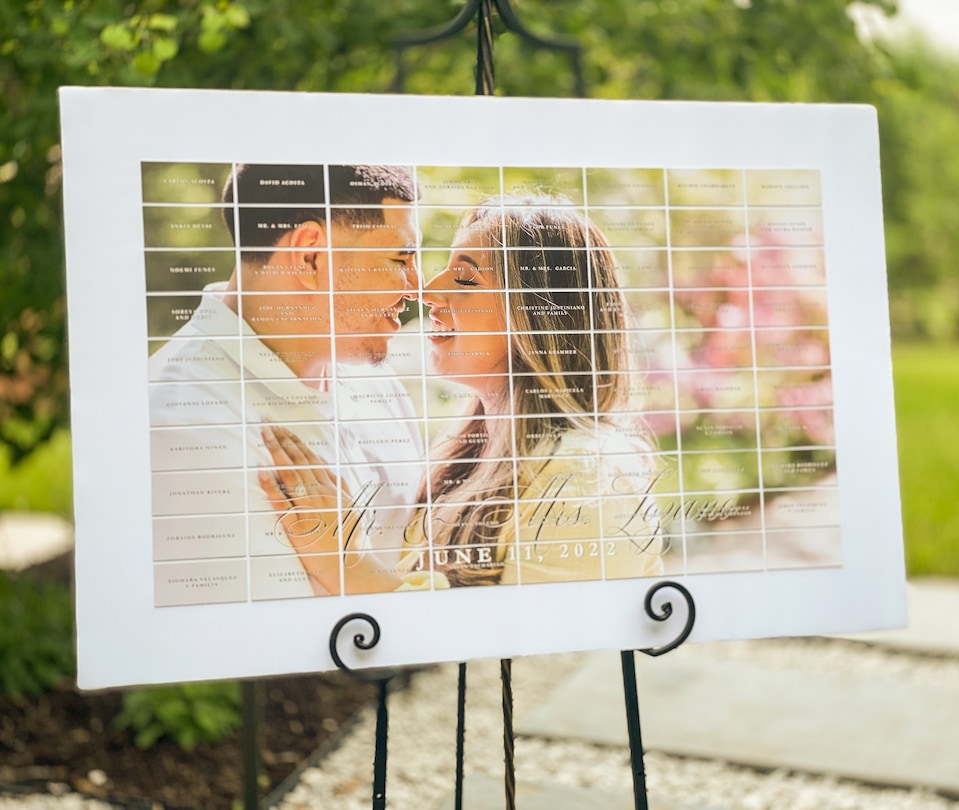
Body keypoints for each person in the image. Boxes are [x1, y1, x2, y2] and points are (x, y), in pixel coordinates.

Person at [260, 195, 666, 592]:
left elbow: (548, 652)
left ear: (537, 315)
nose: (428, 292)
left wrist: (348, 564)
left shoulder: (587, 475)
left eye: (466, 278)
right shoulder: (463, 461)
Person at [149, 164, 424, 598]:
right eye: (400, 258)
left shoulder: (378, 382)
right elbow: (288, 655)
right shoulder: (181, 421)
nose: (416, 287)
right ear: (310, 255)